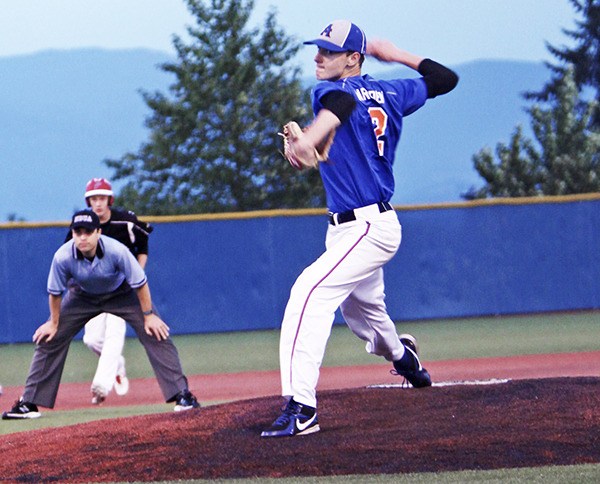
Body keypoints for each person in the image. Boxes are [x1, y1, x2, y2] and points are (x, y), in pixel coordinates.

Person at [261, 20, 458, 438]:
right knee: (364, 315)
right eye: (318, 49)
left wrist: (308, 138)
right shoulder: (391, 91)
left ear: (353, 58)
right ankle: (405, 359)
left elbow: (341, 106)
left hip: (368, 227)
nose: (318, 57)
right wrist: (397, 54)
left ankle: (301, 408)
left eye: (329, 52)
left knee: (309, 292)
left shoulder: (333, 91)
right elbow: (445, 79)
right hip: (358, 228)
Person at [2, 210, 200, 419]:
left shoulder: (117, 251)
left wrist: (149, 315)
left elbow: (140, 283)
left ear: (98, 232)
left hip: (122, 293)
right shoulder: (63, 256)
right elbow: (55, 293)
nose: (83, 237)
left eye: (88, 231)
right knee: (50, 338)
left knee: (156, 333)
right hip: (82, 296)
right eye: (78, 232)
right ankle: (29, 404)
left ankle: (182, 395)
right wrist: (53, 322)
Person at [65, 178, 153, 405]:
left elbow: (143, 245)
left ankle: (101, 386)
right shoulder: (82, 225)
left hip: (120, 289)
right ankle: (118, 364)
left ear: (109, 200)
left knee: (114, 334)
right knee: (91, 339)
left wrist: (137, 275)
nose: (98, 203)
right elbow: (68, 255)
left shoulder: (126, 221)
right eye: (93, 198)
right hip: (91, 290)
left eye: (102, 198)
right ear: (88, 201)